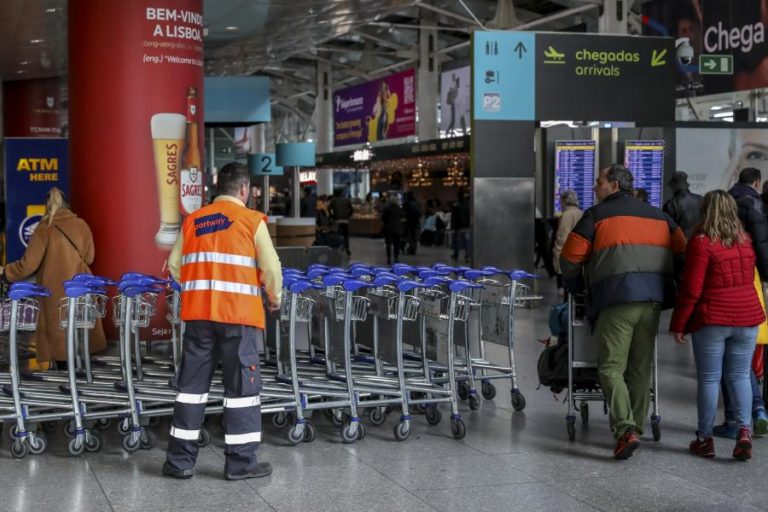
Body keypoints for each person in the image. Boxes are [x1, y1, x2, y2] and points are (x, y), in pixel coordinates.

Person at [163, 162, 282, 481]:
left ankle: (180, 462)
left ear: (219, 189)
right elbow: (271, 269)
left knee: (190, 388)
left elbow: (174, 265)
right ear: (244, 190)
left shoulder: (194, 221)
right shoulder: (251, 221)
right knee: (242, 389)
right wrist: (275, 298)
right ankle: (241, 464)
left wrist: (197, 285)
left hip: (199, 316)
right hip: (239, 318)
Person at [560, 164, 686, 460]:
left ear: (614, 184)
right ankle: (637, 427)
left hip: (616, 300)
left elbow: (569, 258)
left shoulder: (596, 216)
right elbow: (683, 254)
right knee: (640, 368)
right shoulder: (661, 218)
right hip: (652, 302)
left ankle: (625, 428)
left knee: (610, 367)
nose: (594, 188)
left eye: (599, 182)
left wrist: (576, 284)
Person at [671, 190, 765, 460]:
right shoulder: (745, 241)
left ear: (706, 211)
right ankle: (744, 431)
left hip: (713, 318)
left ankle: (704, 439)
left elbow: (691, 290)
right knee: (739, 376)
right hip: (747, 318)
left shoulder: (701, 243)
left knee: (710, 379)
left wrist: (679, 324)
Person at [1, 187, 106, 370]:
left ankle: (64, 377)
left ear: (47, 206)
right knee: (79, 328)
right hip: (81, 286)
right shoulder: (81, 224)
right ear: (67, 205)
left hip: (55, 290)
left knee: (59, 337)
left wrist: (6, 273)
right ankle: (81, 373)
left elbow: (28, 264)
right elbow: (89, 258)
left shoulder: (44, 228)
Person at [713, 167, 768, 438]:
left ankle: (730, 421)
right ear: (756, 183)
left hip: (719, 310)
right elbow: (762, 244)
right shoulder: (754, 207)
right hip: (752, 292)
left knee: (721, 369)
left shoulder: (707, 240)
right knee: (744, 363)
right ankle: (756, 411)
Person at [552, 190, 583, 299]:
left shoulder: (567, 215)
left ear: (565, 200)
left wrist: (556, 251)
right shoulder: (581, 213)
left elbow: (562, 237)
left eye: (561, 200)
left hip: (567, 256)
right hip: (579, 256)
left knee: (566, 289)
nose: (560, 203)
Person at [663, 171, 703, 239]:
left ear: (674, 186)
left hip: (680, 241)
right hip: (699, 240)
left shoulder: (670, 204)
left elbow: (667, 228)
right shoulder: (701, 199)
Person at [381, 195, 403, 265]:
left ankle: (389, 258)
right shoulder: (399, 209)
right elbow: (402, 216)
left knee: (388, 244)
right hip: (397, 228)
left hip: (388, 228)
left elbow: (383, 218)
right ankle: (396, 257)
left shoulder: (387, 209)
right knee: (396, 244)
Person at [329, 188, 352, 256]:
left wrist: (332, 216)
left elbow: (329, 208)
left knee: (337, 235)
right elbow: (351, 209)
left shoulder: (333, 200)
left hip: (337, 220)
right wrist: (348, 215)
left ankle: (338, 248)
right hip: (345, 220)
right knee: (346, 235)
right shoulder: (347, 199)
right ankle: (347, 248)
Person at [451, 192, 470, 263]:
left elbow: (453, 217)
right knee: (466, 242)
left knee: (457, 241)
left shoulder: (456, 205)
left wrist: (452, 227)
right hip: (466, 226)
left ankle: (456, 255)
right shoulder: (468, 205)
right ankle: (467, 256)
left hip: (458, 226)